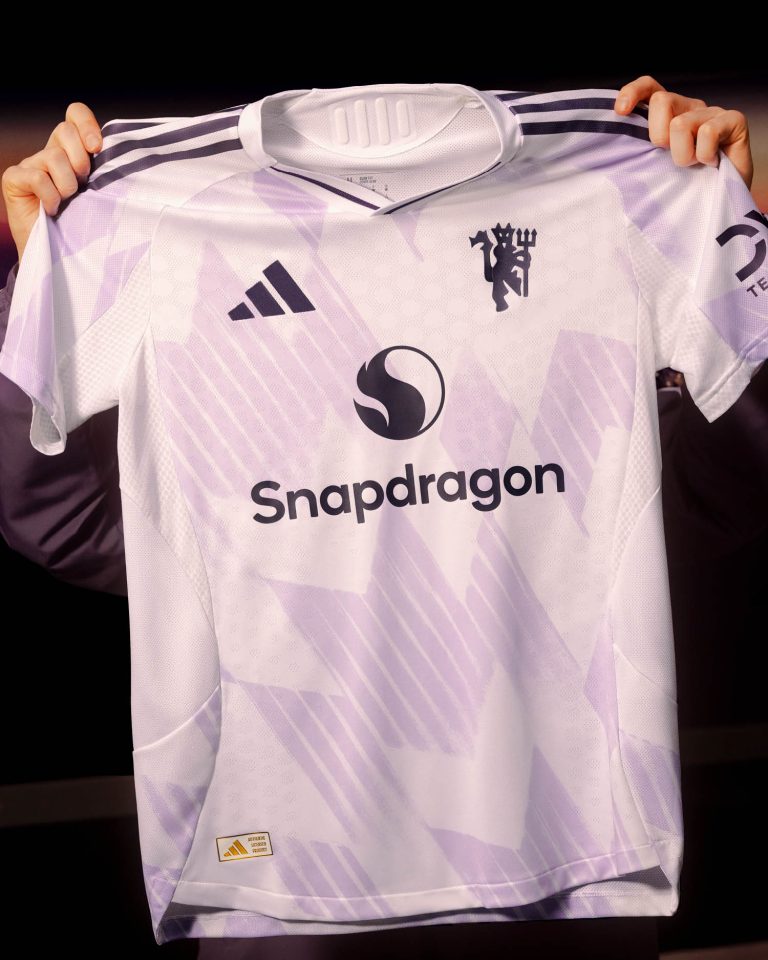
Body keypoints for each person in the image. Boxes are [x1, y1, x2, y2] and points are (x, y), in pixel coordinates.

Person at [0, 75, 763, 960]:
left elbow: (721, 490)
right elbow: (66, 518)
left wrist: (734, 251)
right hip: (284, 891)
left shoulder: (615, 199)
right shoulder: (157, 228)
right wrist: (39, 283)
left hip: (572, 871)